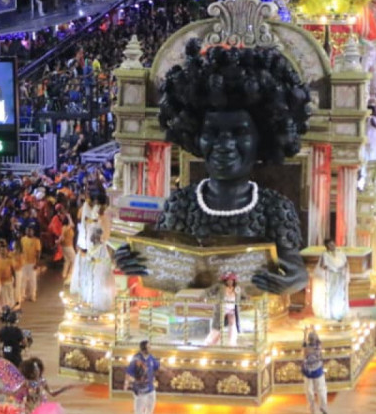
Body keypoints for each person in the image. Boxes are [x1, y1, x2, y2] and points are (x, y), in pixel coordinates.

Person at [128, 41, 311, 296]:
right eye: (213, 132)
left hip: (253, 316)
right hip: (189, 314)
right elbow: (162, 265)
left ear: (262, 138)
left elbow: (296, 271)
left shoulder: (276, 209)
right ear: (195, 136)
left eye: (239, 133)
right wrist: (135, 259)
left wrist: (295, 280)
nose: (224, 145)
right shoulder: (180, 205)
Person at [76, 228, 116, 313]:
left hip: (101, 268)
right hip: (94, 269)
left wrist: (97, 261)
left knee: (100, 285)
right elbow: (88, 256)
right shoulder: (93, 247)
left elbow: (107, 259)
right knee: (95, 286)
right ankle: (96, 304)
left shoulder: (103, 247)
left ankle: (102, 305)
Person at [125, 340, 159, 414]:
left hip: (150, 386)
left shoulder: (151, 357)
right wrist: (128, 382)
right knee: (140, 406)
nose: (151, 348)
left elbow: (156, 366)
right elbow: (129, 372)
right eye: (149, 347)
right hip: (140, 388)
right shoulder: (136, 359)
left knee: (151, 403)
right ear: (144, 349)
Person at [312, 238, 349, 321]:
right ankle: (331, 314)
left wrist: (342, 269)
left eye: (333, 244)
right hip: (330, 277)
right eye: (329, 245)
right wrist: (331, 268)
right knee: (331, 295)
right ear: (326, 246)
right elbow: (322, 266)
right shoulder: (325, 255)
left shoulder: (341, 254)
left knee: (339, 294)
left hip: (340, 277)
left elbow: (346, 264)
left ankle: (339, 313)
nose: (332, 246)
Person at [301, 328, 329, 414]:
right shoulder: (315, 347)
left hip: (312, 371)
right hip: (313, 371)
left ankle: (315, 408)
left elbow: (304, 343)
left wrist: (305, 333)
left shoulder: (309, 348)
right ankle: (319, 407)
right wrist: (312, 331)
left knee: (311, 391)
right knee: (317, 391)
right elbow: (308, 342)